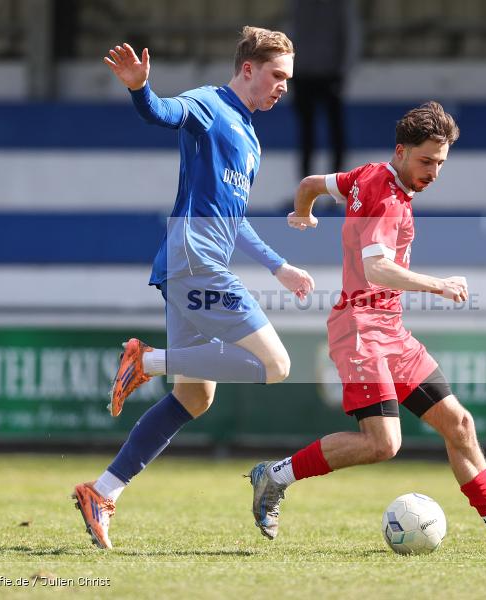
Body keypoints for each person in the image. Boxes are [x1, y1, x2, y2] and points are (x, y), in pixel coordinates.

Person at [248, 102, 486, 554]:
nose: (434, 171)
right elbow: (377, 269)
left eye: (440, 162)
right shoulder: (384, 196)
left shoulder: (367, 174)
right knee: (383, 444)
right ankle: (274, 476)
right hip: (360, 328)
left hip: (390, 329)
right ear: (401, 151)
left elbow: (310, 184)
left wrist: (303, 213)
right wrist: (440, 286)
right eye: (426, 160)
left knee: (459, 423)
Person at [71, 27, 315, 550]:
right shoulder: (209, 104)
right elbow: (162, 113)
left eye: (288, 81)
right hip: (195, 259)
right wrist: (140, 89)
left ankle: (102, 491)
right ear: (248, 68)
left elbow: (237, 219)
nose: (282, 89)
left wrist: (279, 267)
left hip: (194, 262)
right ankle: (148, 361)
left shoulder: (250, 137)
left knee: (195, 396)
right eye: (277, 76)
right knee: (278, 365)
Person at [290, 0, 359, 177]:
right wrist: (290, 69)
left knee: (335, 130)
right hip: (302, 75)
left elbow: (350, 36)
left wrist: (342, 71)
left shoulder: (340, 5)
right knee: (306, 132)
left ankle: (338, 182)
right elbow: (293, 34)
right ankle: (304, 183)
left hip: (330, 75)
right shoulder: (298, 4)